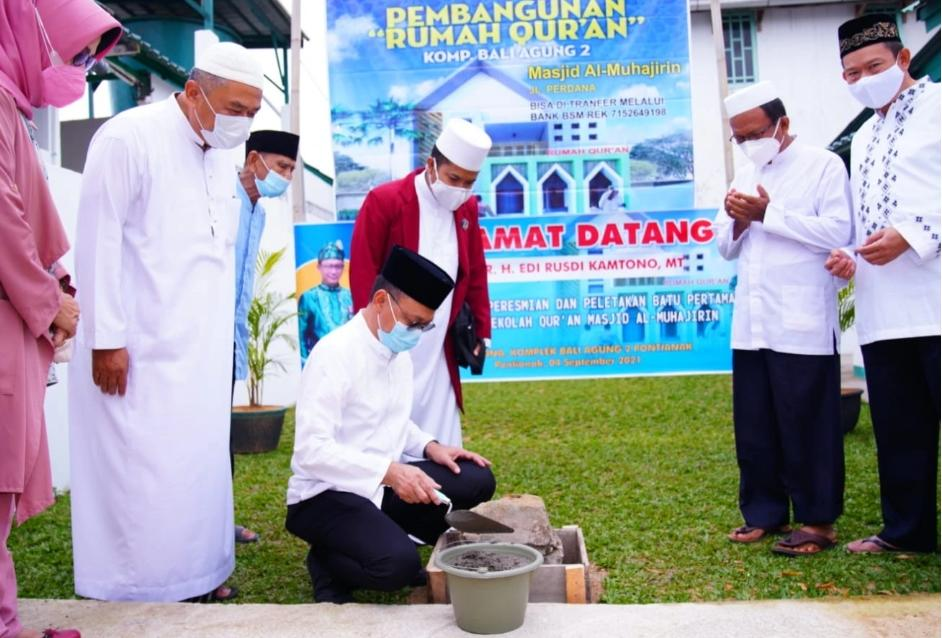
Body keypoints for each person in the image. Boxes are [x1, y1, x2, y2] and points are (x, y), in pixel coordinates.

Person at [69, 41, 264, 603]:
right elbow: (99, 242)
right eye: (234, 110)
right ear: (195, 91)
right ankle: (140, 585)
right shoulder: (129, 138)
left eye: (251, 115)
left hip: (198, 353)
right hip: (139, 349)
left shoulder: (221, 156)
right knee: (142, 473)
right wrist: (106, 340)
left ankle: (197, 576)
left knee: (195, 471)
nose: (242, 124)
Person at [0, 1, 120, 636]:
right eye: (76, 56)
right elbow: (2, 220)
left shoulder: (11, 107)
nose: (79, 72)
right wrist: (52, 301)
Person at [286, 246, 496, 603]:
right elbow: (311, 451)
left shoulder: (397, 354)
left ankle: (376, 534)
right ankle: (325, 561)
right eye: (413, 322)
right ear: (381, 301)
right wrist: (392, 473)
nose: (415, 333)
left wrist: (432, 447)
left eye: (424, 326)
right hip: (325, 494)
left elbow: (392, 419)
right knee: (398, 568)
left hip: (380, 488)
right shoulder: (333, 354)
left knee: (476, 479)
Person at [714, 81, 853, 556]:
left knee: (807, 422)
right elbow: (724, 245)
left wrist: (768, 214)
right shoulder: (743, 174)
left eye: (755, 133)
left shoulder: (823, 165)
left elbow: (837, 231)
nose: (749, 144)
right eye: (740, 137)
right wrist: (737, 220)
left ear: (783, 124)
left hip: (803, 321)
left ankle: (817, 523)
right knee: (755, 423)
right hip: (752, 322)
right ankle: (764, 513)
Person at [825, 15, 940, 554]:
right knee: (898, 427)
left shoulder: (940, 107)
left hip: (935, 295)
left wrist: (914, 234)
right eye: (851, 73)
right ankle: (907, 532)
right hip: (883, 306)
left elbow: (912, 216)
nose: (863, 78)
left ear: (903, 58)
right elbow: (864, 216)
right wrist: (850, 254)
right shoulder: (864, 132)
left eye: (873, 66)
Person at [350, 119, 492, 454]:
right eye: (453, 178)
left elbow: (474, 271)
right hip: (393, 334)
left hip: (440, 342)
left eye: (469, 182)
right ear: (431, 165)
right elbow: (364, 269)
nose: (460, 189)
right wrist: (370, 331)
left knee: (440, 428)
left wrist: (481, 331)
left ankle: (440, 497)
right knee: (387, 416)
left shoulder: (467, 208)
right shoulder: (385, 201)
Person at [231, 129, 299, 543]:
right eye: (281, 167)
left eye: (292, 169)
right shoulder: (226, 203)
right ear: (254, 159)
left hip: (227, 340)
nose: (286, 177)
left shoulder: (257, 209)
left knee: (219, 445)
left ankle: (219, 521)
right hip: (198, 342)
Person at [297, 240, 353, 364]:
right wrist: (307, 366)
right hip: (320, 364)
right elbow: (301, 336)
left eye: (338, 266)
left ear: (343, 267)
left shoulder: (350, 295)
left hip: (349, 362)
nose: (333, 272)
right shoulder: (309, 297)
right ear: (319, 267)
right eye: (329, 266)